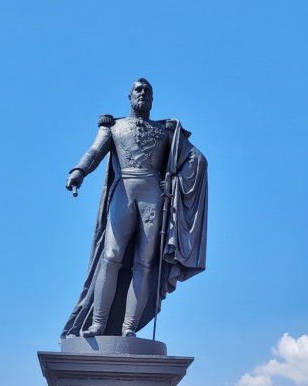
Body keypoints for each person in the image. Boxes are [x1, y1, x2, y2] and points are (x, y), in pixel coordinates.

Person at [61, 79, 208, 339]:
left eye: (147, 91)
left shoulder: (166, 131)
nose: (143, 94)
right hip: (123, 190)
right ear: (129, 97)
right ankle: (98, 323)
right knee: (111, 255)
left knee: (144, 262)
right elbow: (94, 152)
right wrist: (79, 170)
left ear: (152, 100)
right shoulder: (114, 126)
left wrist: (176, 176)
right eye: (138, 90)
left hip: (153, 194)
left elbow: (196, 158)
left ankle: (128, 328)